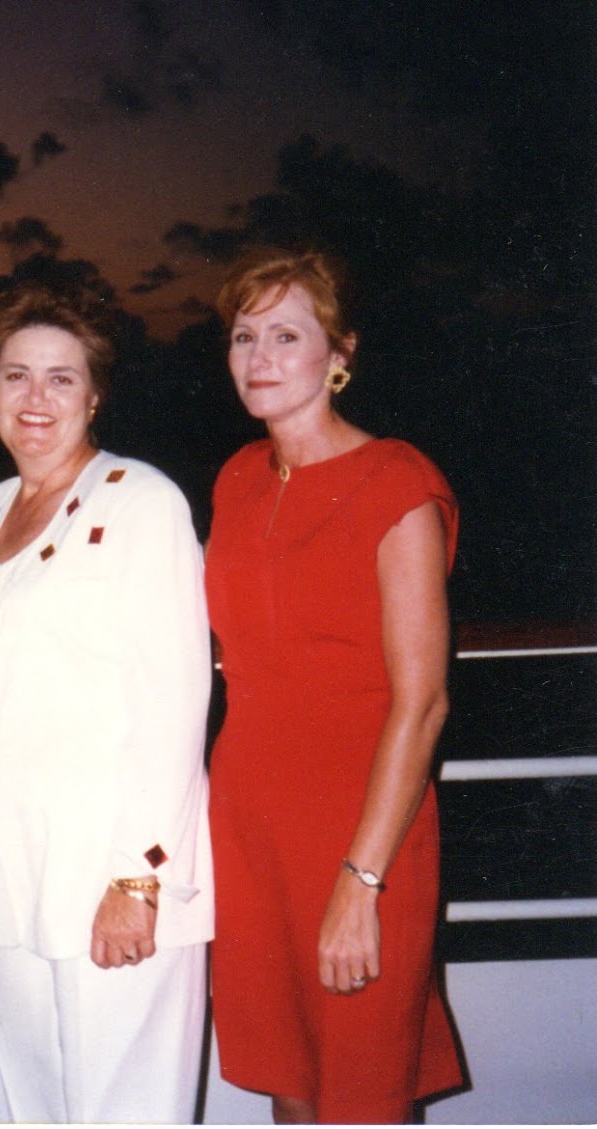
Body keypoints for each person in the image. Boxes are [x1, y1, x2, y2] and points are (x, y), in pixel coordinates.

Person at [206, 247, 465, 1123]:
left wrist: (362, 880)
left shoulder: (396, 482)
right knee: (292, 1079)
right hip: (251, 827)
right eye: (244, 336)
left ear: (340, 353)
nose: (260, 357)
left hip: (361, 826)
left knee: (362, 1089)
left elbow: (422, 702)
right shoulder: (238, 479)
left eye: (287, 335)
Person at [0, 283, 214, 1122]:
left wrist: (138, 875)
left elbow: (176, 698)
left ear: (95, 394)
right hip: (10, 863)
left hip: (113, 865)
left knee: (126, 1109)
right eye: (16, 375)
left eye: (61, 378)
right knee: (37, 1106)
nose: (36, 398)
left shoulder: (141, 501)